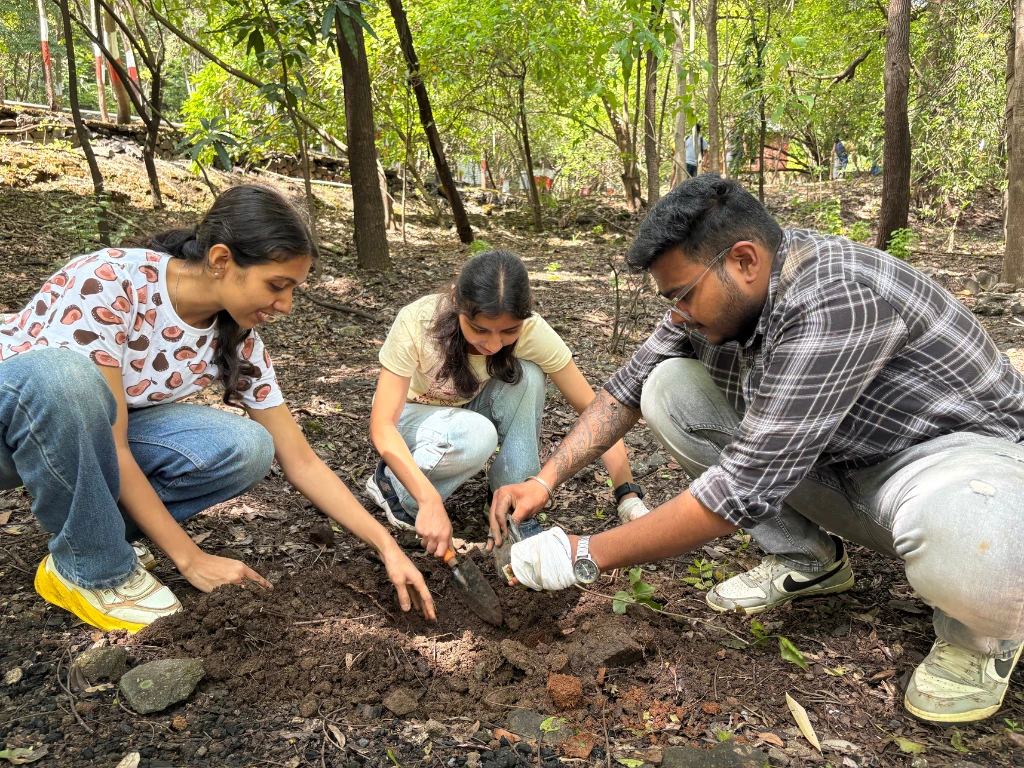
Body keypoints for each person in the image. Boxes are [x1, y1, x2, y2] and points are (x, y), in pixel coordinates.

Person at [491, 175, 1024, 724]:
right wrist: (543, 479)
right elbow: (625, 390)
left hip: (950, 463)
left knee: (982, 541)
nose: (677, 313)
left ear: (744, 260)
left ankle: (982, 637)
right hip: (839, 461)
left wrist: (583, 554)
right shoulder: (720, 299)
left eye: (682, 294)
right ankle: (808, 560)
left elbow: (741, 488)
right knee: (666, 388)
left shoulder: (835, 296)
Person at [0, 185, 434, 633]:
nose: (285, 305)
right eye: (276, 286)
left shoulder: (236, 337)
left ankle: (100, 535)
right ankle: (91, 568)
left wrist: (387, 546)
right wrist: (190, 558)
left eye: (292, 290)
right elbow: (111, 442)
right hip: (17, 424)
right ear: (222, 260)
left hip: (85, 440)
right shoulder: (111, 281)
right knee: (65, 376)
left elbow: (300, 459)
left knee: (247, 445)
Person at [366, 249, 648, 560]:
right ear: (456, 301)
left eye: (509, 331)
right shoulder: (417, 323)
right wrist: (429, 501)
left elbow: (599, 413)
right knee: (475, 434)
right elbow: (382, 425)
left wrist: (627, 493)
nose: (494, 344)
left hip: (460, 415)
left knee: (527, 376)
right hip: (408, 419)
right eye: (480, 330)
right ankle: (396, 492)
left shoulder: (533, 332)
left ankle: (512, 506)